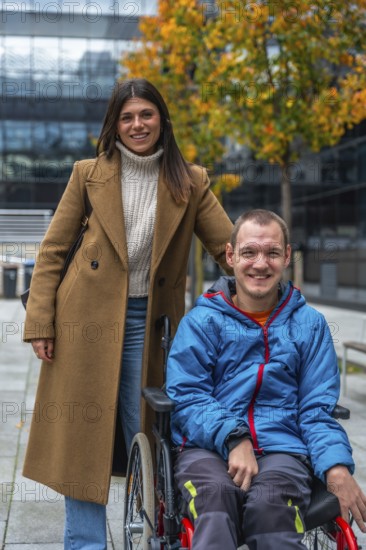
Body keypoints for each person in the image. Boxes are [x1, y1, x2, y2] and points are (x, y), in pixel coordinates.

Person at [22, 78, 233, 549]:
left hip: (151, 323)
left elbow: (229, 247)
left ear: (162, 120)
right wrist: (40, 322)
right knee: (83, 439)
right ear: (114, 124)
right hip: (84, 322)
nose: (137, 125)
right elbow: (53, 250)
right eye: (127, 117)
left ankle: (156, 532)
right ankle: (85, 544)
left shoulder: (190, 181)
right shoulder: (88, 173)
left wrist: (268, 280)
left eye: (146, 114)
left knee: (150, 433)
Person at [166, 209, 366, 549]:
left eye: (272, 252)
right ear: (230, 256)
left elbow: (317, 408)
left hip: (282, 449)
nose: (261, 264)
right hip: (207, 448)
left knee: (271, 508)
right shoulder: (201, 322)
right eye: (249, 252)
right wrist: (233, 437)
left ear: (287, 256)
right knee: (215, 501)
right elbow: (187, 396)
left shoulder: (309, 325)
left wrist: (335, 466)